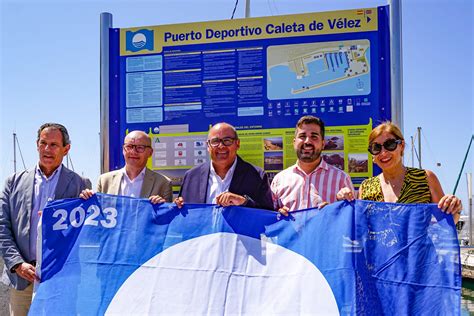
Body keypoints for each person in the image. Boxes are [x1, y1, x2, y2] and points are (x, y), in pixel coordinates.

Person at [0, 123, 91, 315]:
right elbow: (2, 227)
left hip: (61, 278)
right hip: (22, 279)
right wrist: (17, 264)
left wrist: (90, 205)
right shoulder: (13, 182)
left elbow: (85, 233)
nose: (47, 149)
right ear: (37, 145)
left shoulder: (81, 185)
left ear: (66, 149)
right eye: (43, 143)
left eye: (54, 145)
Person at [357, 121, 462, 222]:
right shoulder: (366, 187)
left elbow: (446, 221)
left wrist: (455, 208)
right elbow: (359, 227)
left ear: (401, 146)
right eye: (376, 147)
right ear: (372, 155)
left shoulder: (425, 178)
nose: (383, 152)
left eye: (390, 144)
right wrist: (342, 200)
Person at [175, 122, 273, 210]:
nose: (221, 146)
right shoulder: (191, 176)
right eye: (215, 141)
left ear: (237, 144)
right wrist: (178, 206)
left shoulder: (257, 176)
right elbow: (184, 211)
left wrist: (243, 202)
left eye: (227, 140)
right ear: (208, 146)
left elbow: (267, 214)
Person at [271, 116, 354, 216]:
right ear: (294, 143)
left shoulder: (341, 179)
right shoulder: (279, 180)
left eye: (314, 137)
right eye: (302, 136)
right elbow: (270, 219)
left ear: (323, 144)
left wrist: (335, 213)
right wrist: (278, 214)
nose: (307, 141)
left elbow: (351, 218)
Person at [80, 130, 172, 203]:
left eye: (140, 147)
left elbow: (166, 220)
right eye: (129, 146)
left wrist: (161, 206)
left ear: (150, 153)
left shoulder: (163, 183)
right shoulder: (104, 181)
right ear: (123, 150)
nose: (133, 152)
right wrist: (87, 199)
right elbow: (98, 214)